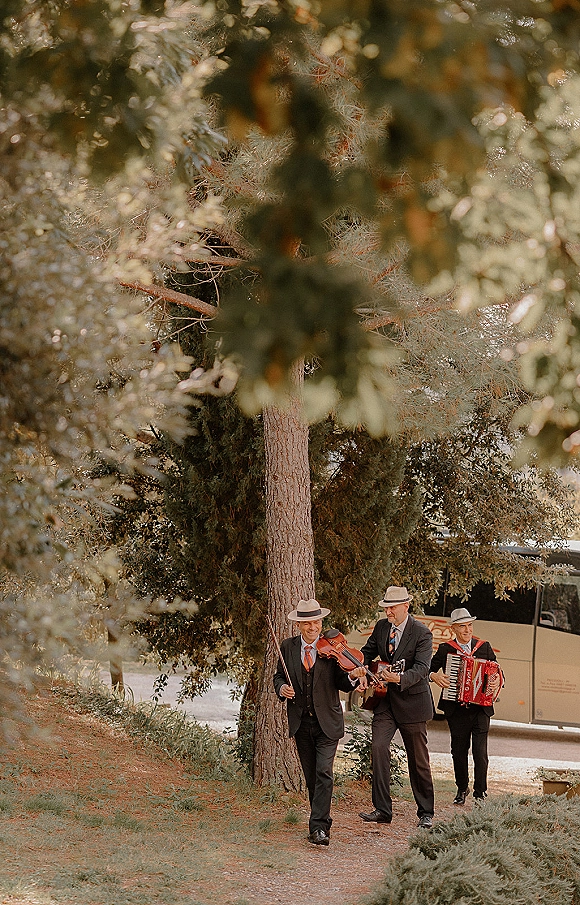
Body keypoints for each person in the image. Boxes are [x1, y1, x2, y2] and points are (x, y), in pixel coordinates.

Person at [273, 598, 367, 846]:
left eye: (316, 621)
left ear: (321, 622)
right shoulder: (288, 647)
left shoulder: (332, 649)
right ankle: (322, 820)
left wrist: (355, 677)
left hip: (327, 723)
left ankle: (318, 828)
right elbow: (278, 676)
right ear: (299, 625)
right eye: (307, 622)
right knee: (312, 778)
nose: (313, 627)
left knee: (324, 772)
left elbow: (342, 683)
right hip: (301, 723)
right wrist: (282, 688)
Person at [352, 586, 435, 829]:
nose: (388, 611)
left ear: (406, 607)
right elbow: (366, 654)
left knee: (418, 760)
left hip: (413, 705)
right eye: (386, 607)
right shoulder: (381, 627)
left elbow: (422, 669)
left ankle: (426, 812)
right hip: (384, 702)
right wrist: (362, 673)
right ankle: (382, 809)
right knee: (378, 748)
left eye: (392, 607)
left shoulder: (422, 633)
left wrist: (397, 679)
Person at [430, 607, 502, 805]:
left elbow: (497, 671)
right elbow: (428, 668)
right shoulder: (446, 649)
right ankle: (462, 788)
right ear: (453, 628)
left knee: (480, 753)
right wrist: (434, 676)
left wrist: (497, 681)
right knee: (459, 752)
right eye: (462, 627)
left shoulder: (484, 647)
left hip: (480, 709)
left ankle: (480, 794)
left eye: (469, 625)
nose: (467, 630)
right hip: (457, 709)